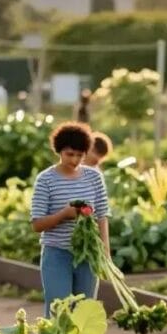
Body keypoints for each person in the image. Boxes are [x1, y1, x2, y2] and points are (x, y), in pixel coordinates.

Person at [30, 123, 111, 316]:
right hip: (57, 254)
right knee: (59, 312)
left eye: (80, 155)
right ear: (59, 151)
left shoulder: (94, 177)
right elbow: (37, 224)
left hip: (88, 254)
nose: (74, 160)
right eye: (69, 154)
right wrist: (63, 215)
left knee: (84, 314)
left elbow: (102, 215)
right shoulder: (45, 180)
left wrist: (105, 252)